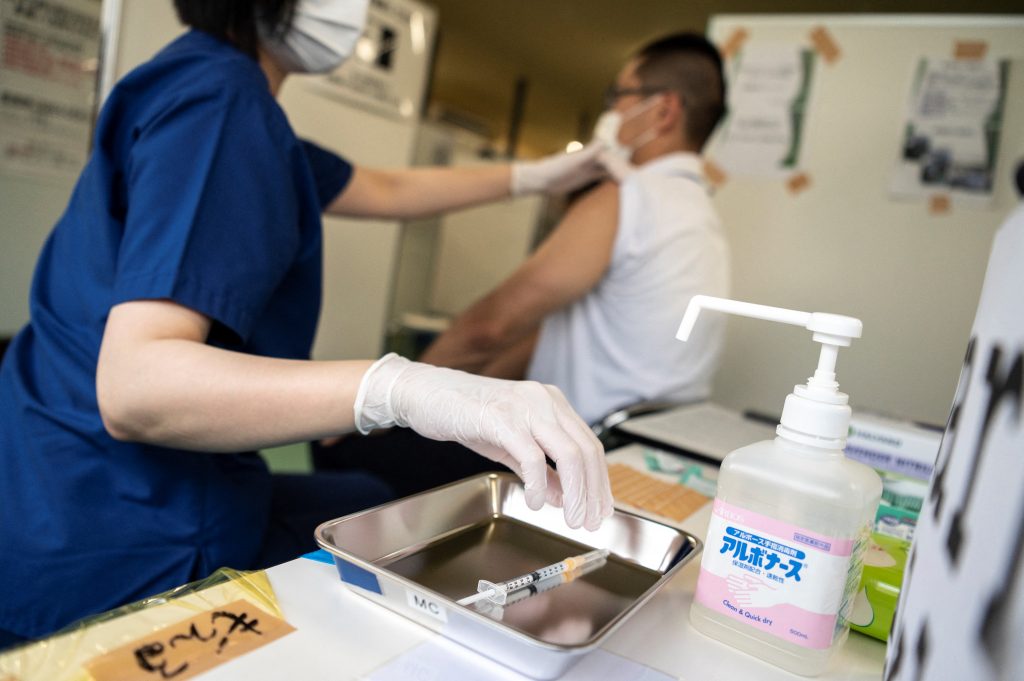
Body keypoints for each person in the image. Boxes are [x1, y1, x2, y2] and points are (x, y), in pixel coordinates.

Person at [0, 0, 614, 649]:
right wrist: (401, 388)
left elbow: (385, 190)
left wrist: (537, 175)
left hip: (41, 474)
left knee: (366, 493)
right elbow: (136, 388)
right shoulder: (222, 101)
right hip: (118, 518)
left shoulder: (209, 88)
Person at [313, 33, 730, 492]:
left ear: (663, 110)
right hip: (651, 445)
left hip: (581, 449)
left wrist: (404, 402)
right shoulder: (703, 218)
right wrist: (474, 396)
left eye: (620, 95)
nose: (611, 110)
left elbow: (491, 324)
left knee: (337, 441)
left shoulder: (628, 196)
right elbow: (542, 336)